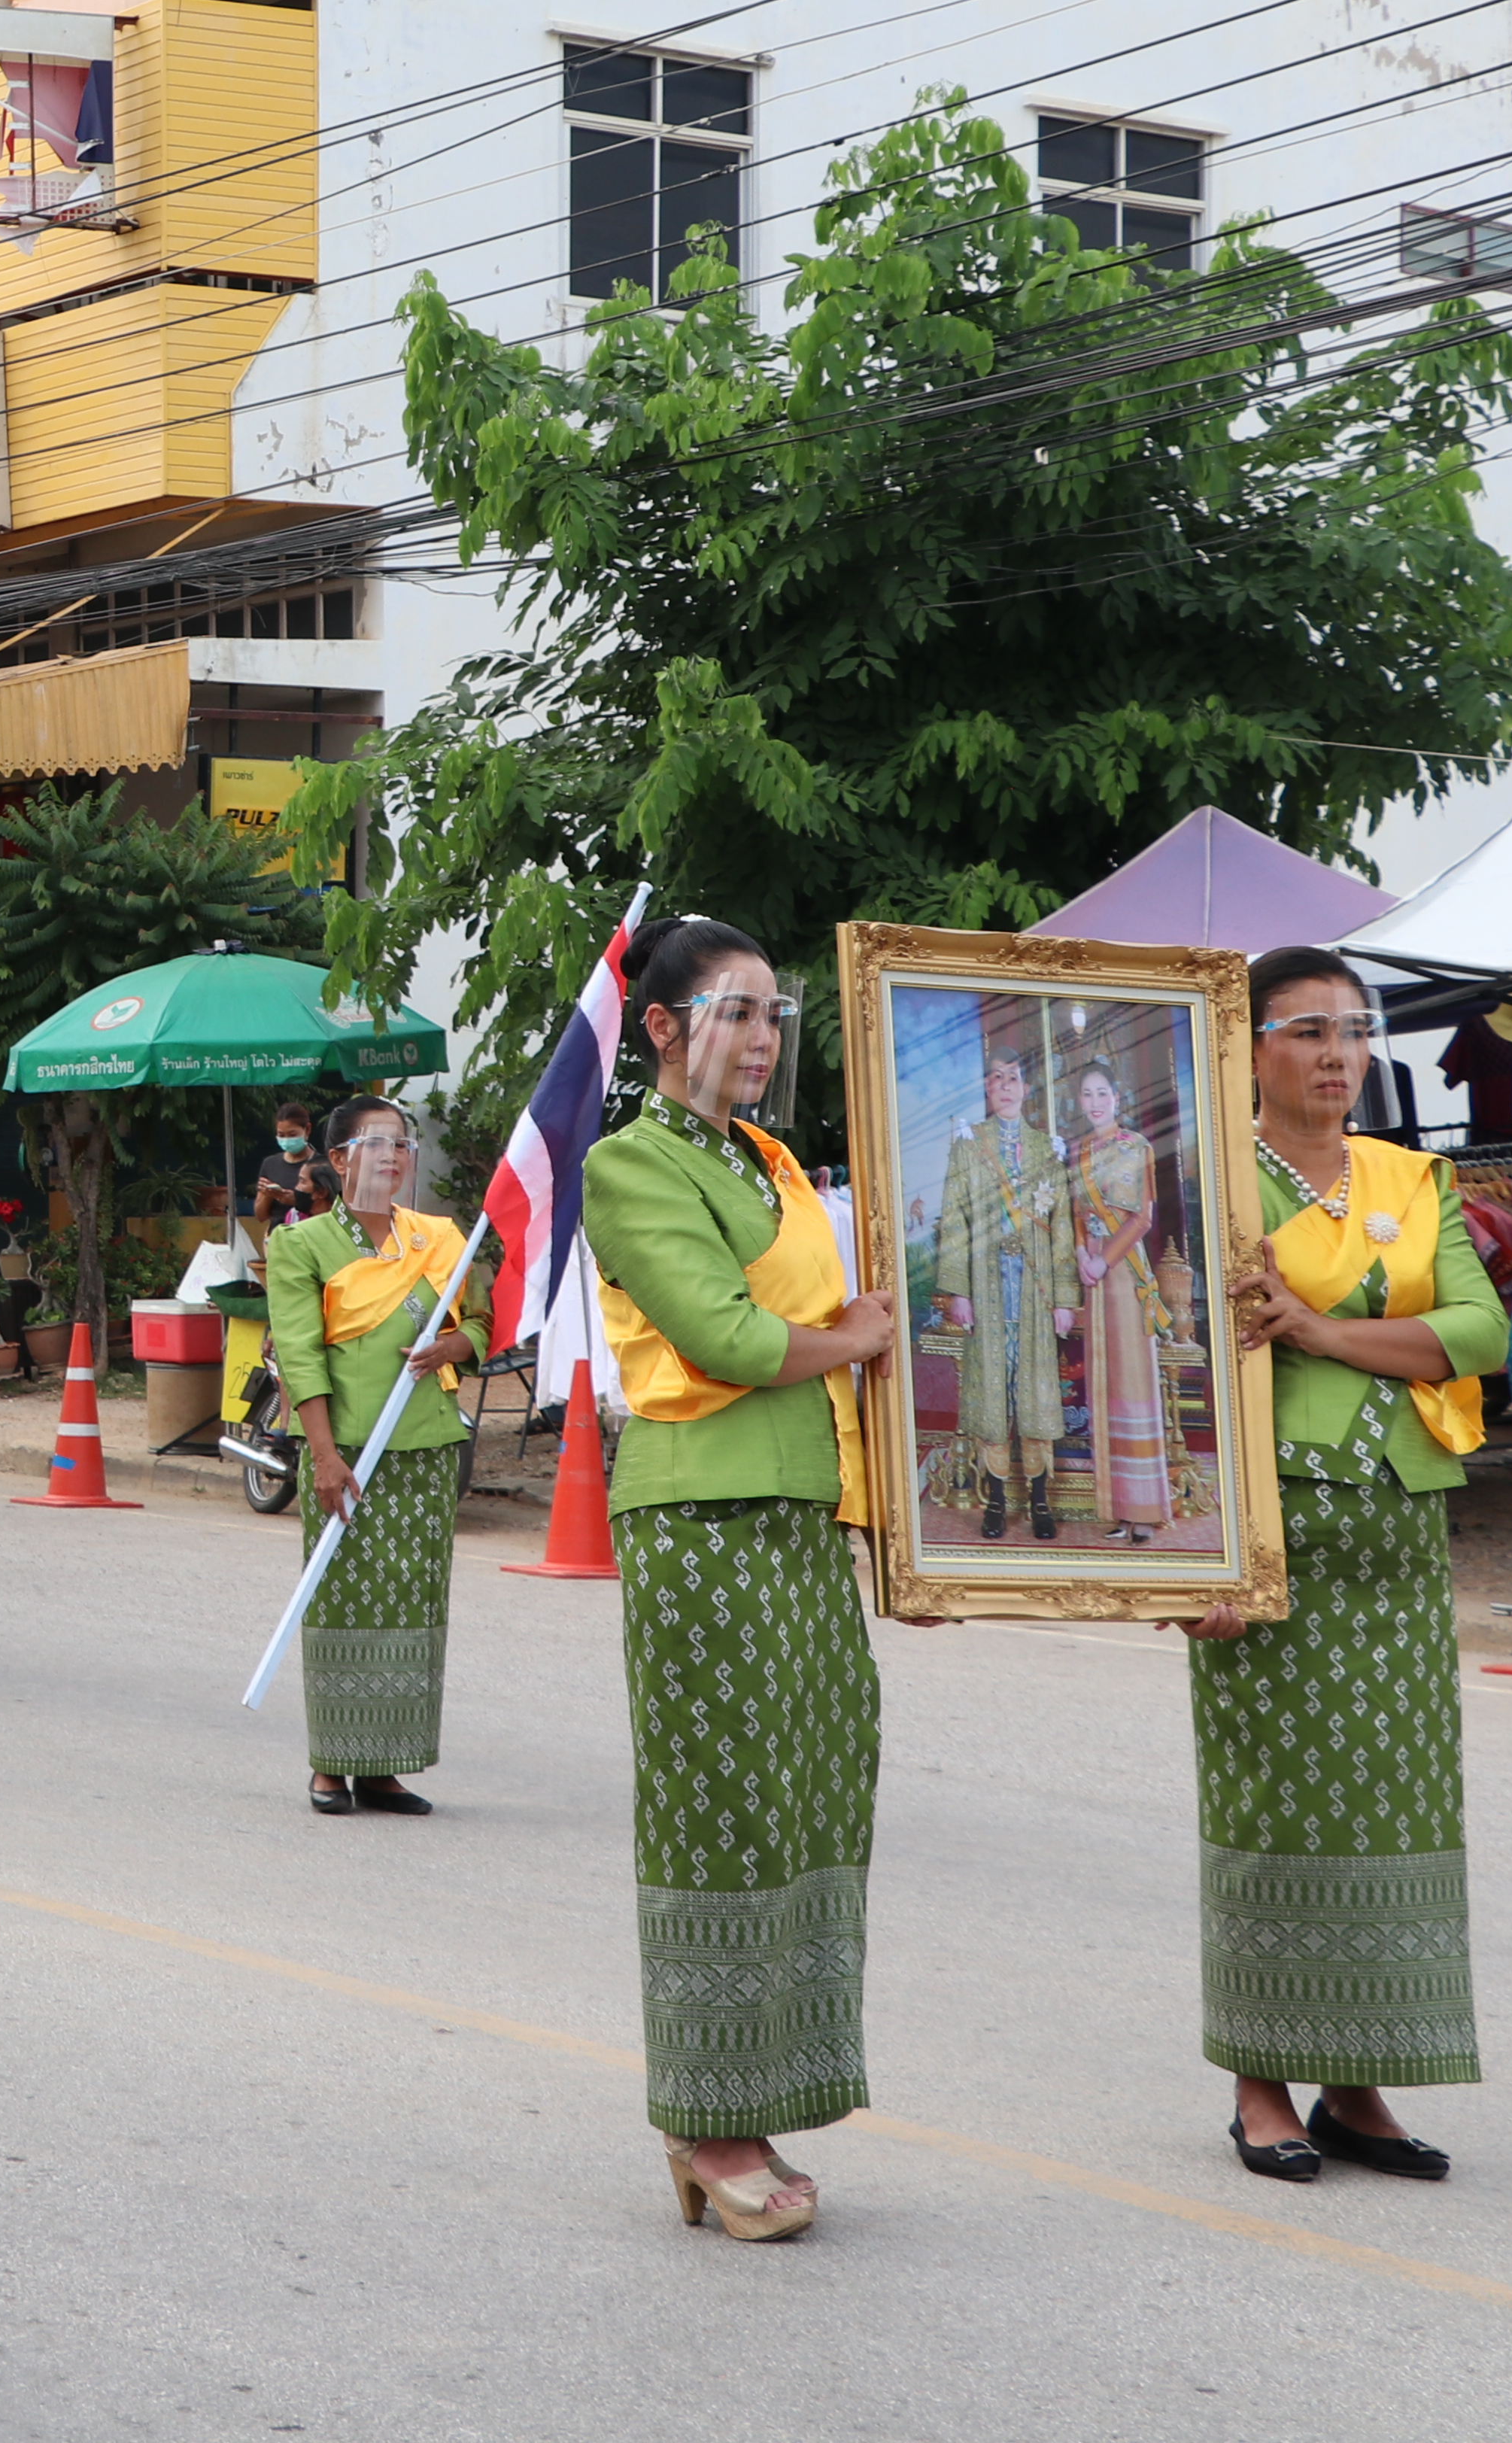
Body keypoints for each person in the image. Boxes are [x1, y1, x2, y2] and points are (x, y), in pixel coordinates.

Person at [581, 916, 905, 2241]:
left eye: (775, 1014)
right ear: (661, 1028)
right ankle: (708, 2121)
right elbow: (718, 1333)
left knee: (808, 1796)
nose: (764, 1037)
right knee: (719, 1805)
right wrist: (852, 1337)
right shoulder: (630, 1165)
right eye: (735, 1010)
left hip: (799, 1511)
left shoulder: (769, 1161)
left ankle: (761, 2096)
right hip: (701, 1519)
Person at [1182, 945, 1506, 2187]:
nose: (1336, 1056)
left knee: (1391, 1804)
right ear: (1250, 1047)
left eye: (1354, 1033)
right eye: (1308, 1030)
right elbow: (1188, 1371)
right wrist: (1195, 1555)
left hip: (1395, 1529)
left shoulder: (1412, 1176)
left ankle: (1356, 2081)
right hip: (1270, 1530)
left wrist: (1319, 1330)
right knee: (1273, 1804)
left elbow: (1478, 1330)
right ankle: (1262, 2084)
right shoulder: (1212, 1186)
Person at [267, 1093, 491, 1816]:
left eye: (401, 1145)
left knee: (410, 1606)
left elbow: (486, 1316)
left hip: (425, 1448)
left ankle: (386, 1766)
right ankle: (333, 1764)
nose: (393, 1157)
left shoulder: (437, 1238)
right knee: (341, 1601)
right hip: (348, 1450)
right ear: (338, 1161)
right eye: (377, 1144)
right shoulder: (301, 1246)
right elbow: (300, 1357)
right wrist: (325, 1457)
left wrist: (461, 1343)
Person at [931, 1049, 1079, 1543]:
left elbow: (1062, 1230)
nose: (1005, 1086)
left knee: (1036, 1395)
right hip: (988, 1286)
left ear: (1026, 1088)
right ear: (988, 1090)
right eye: (996, 1079)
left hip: (1035, 1292)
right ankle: (995, 1500)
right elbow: (954, 1218)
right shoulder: (969, 1147)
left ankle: (1040, 1502)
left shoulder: (1048, 1149)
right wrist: (958, 1290)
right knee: (992, 1394)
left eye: (1013, 1078)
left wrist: (1063, 1299)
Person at [1068, 1060, 1172, 1542]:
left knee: (1132, 1385)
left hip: (1123, 1274)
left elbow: (1142, 1219)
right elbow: (1075, 1212)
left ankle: (1146, 1512)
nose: (1095, 1102)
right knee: (1104, 1389)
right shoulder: (1079, 1151)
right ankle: (1116, 1509)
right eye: (1087, 1094)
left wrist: (1102, 1261)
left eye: (1102, 1093)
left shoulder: (1136, 1147)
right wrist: (1078, 1253)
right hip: (1092, 1276)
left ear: (1117, 1096)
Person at [249, 1103, 323, 1236]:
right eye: (281, 1135)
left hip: (311, 1236)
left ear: (307, 1130)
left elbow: (329, 1211)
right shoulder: (270, 1164)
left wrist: (296, 1201)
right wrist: (267, 1194)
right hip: (278, 1237)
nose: (286, 1140)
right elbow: (260, 1216)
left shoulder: (320, 1165)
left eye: (292, 1134)